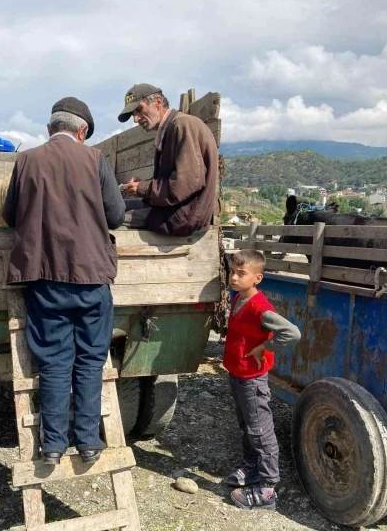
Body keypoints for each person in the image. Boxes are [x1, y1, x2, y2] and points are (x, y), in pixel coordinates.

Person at [2, 97, 125, 465]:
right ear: (82, 132)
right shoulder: (95, 159)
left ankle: (53, 446)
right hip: (91, 279)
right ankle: (88, 442)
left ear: (49, 130)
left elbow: (10, 216)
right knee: (90, 360)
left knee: (54, 363)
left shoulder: (26, 160)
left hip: (46, 280)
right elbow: (116, 215)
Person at [223, 249, 301, 510]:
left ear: (257, 278)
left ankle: (268, 488)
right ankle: (251, 466)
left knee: (260, 430)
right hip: (238, 374)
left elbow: (292, 333)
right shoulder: (238, 298)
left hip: (252, 380)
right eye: (232, 272)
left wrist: (265, 348)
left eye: (241, 274)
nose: (234, 278)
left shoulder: (260, 307)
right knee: (246, 424)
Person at [118, 83, 219, 236]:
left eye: (139, 110)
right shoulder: (170, 128)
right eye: (133, 114)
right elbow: (174, 179)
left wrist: (143, 188)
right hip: (173, 211)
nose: (136, 119)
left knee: (111, 216)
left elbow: (184, 184)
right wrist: (141, 185)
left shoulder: (182, 125)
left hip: (183, 217)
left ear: (158, 102)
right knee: (116, 206)